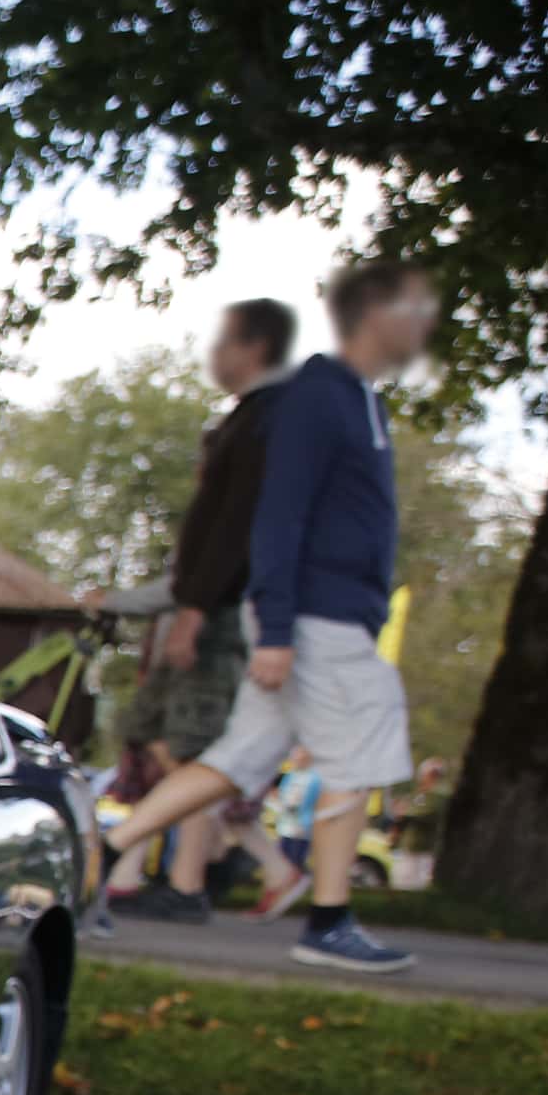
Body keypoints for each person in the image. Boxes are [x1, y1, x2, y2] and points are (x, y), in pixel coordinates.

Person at [90, 257, 438, 975]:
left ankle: (96, 856)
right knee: (356, 755)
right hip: (314, 615)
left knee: (237, 758)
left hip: (329, 614)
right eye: (415, 308)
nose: (425, 323)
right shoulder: (318, 397)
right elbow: (277, 519)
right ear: (375, 313)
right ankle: (330, 921)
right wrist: (276, 629)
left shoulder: (361, 400)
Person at [79, 296, 297, 925]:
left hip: (218, 617)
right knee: (160, 739)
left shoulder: (263, 428)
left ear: (253, 347)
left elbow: (231, 538)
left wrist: (194, 613)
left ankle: (182, 878)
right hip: (202, 610)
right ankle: (128, 869)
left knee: (205, 752)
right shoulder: (242, 425)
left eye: (223, 342)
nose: (214, 355)